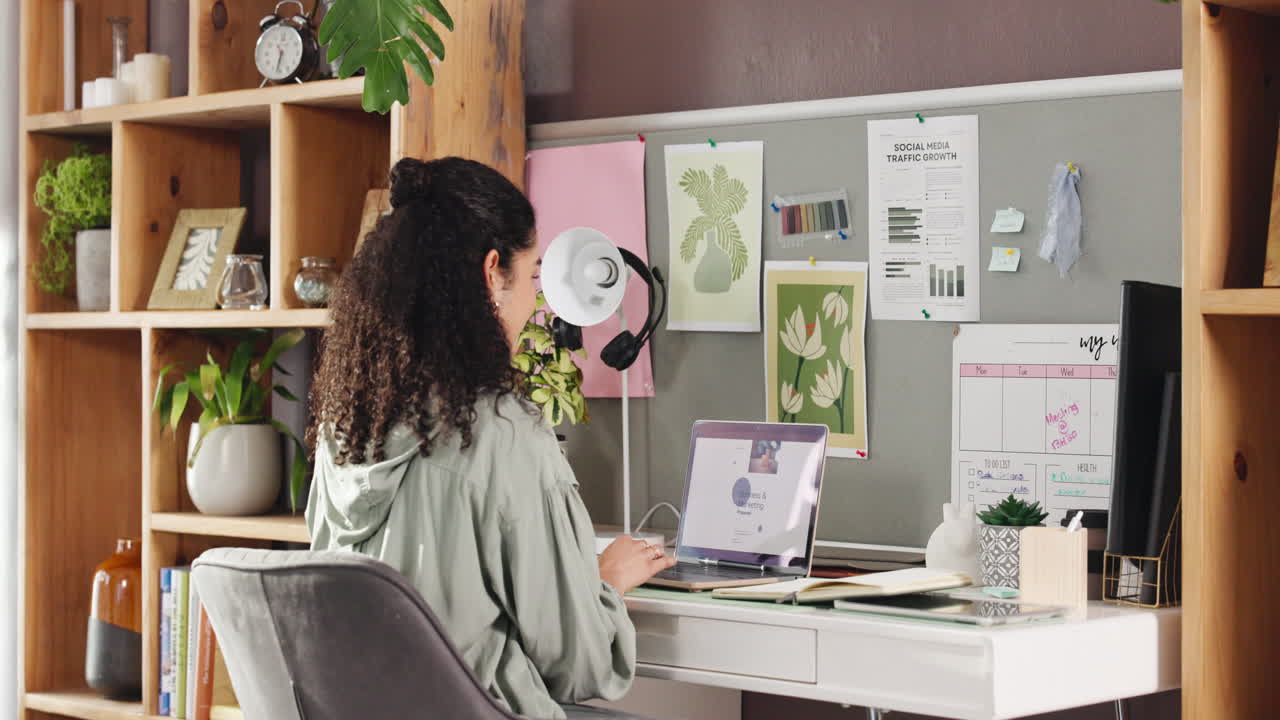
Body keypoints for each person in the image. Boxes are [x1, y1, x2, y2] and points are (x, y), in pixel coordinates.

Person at [306, 157, 676, 719]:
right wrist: (603, 584)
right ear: (490, 273)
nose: (536, 301)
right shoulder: (500, 432)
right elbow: (578, 667)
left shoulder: (347, 425)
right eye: (531, 277)